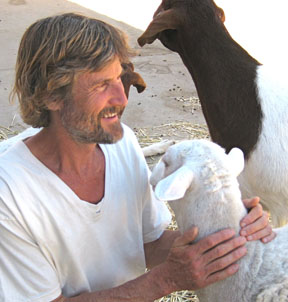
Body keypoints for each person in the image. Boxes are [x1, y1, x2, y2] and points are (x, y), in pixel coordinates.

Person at [0, 13, 274, 302]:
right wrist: (165, 280)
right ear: (50, 96)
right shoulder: (10, 193)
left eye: (120, 77)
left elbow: (149, 242)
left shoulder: (122, 143)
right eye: (100, 85)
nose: (122, 98)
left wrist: (231, 232)